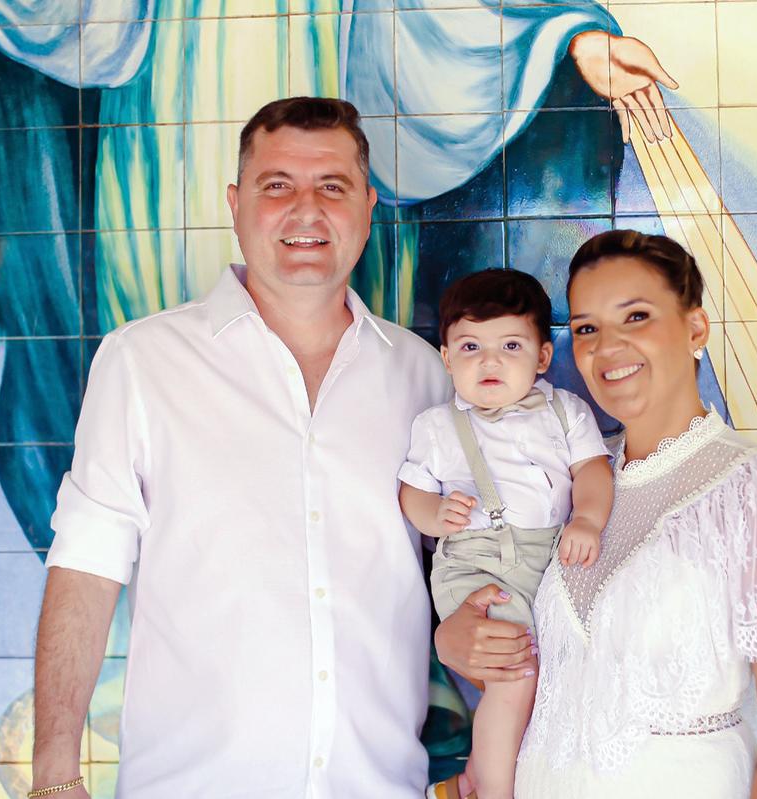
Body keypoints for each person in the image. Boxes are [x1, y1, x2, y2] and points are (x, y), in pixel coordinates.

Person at [30, 97, 452, 798]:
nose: (305, 210)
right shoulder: (143, 362)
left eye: (333, 187)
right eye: (277, 185)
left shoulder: (425, 376)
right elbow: (85, 566)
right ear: (235, 202)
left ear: (368, 205)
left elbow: (466, 567)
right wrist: (53, 776)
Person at [435, 230, 757, 799]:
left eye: (635, 317)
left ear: (695, 329)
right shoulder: (570, 487)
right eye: (587, 328)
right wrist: (454, 638)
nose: (608, 347)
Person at [399, 269, 613, 799]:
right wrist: (434, 515)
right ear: (447, 358)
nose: (488, 361)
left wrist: (586, 517)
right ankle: (489, 787)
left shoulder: (566, 412)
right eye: (470, 346)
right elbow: (412, 493)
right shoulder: (436, 425)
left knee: (550, 679)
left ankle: (488, 778)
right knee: (514, 674)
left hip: (545, 563)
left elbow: (592, 471)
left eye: (509, 345)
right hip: (475, 568)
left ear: (542, 358)